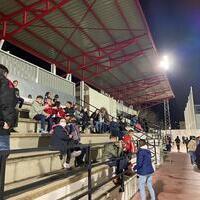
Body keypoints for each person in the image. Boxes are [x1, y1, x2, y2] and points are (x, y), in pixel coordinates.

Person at [0, 64, 17, 151]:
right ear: (5, 73)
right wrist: (8, 121)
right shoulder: (6, 82)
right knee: (3, 152)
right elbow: (6, 102)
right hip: (2, 123)